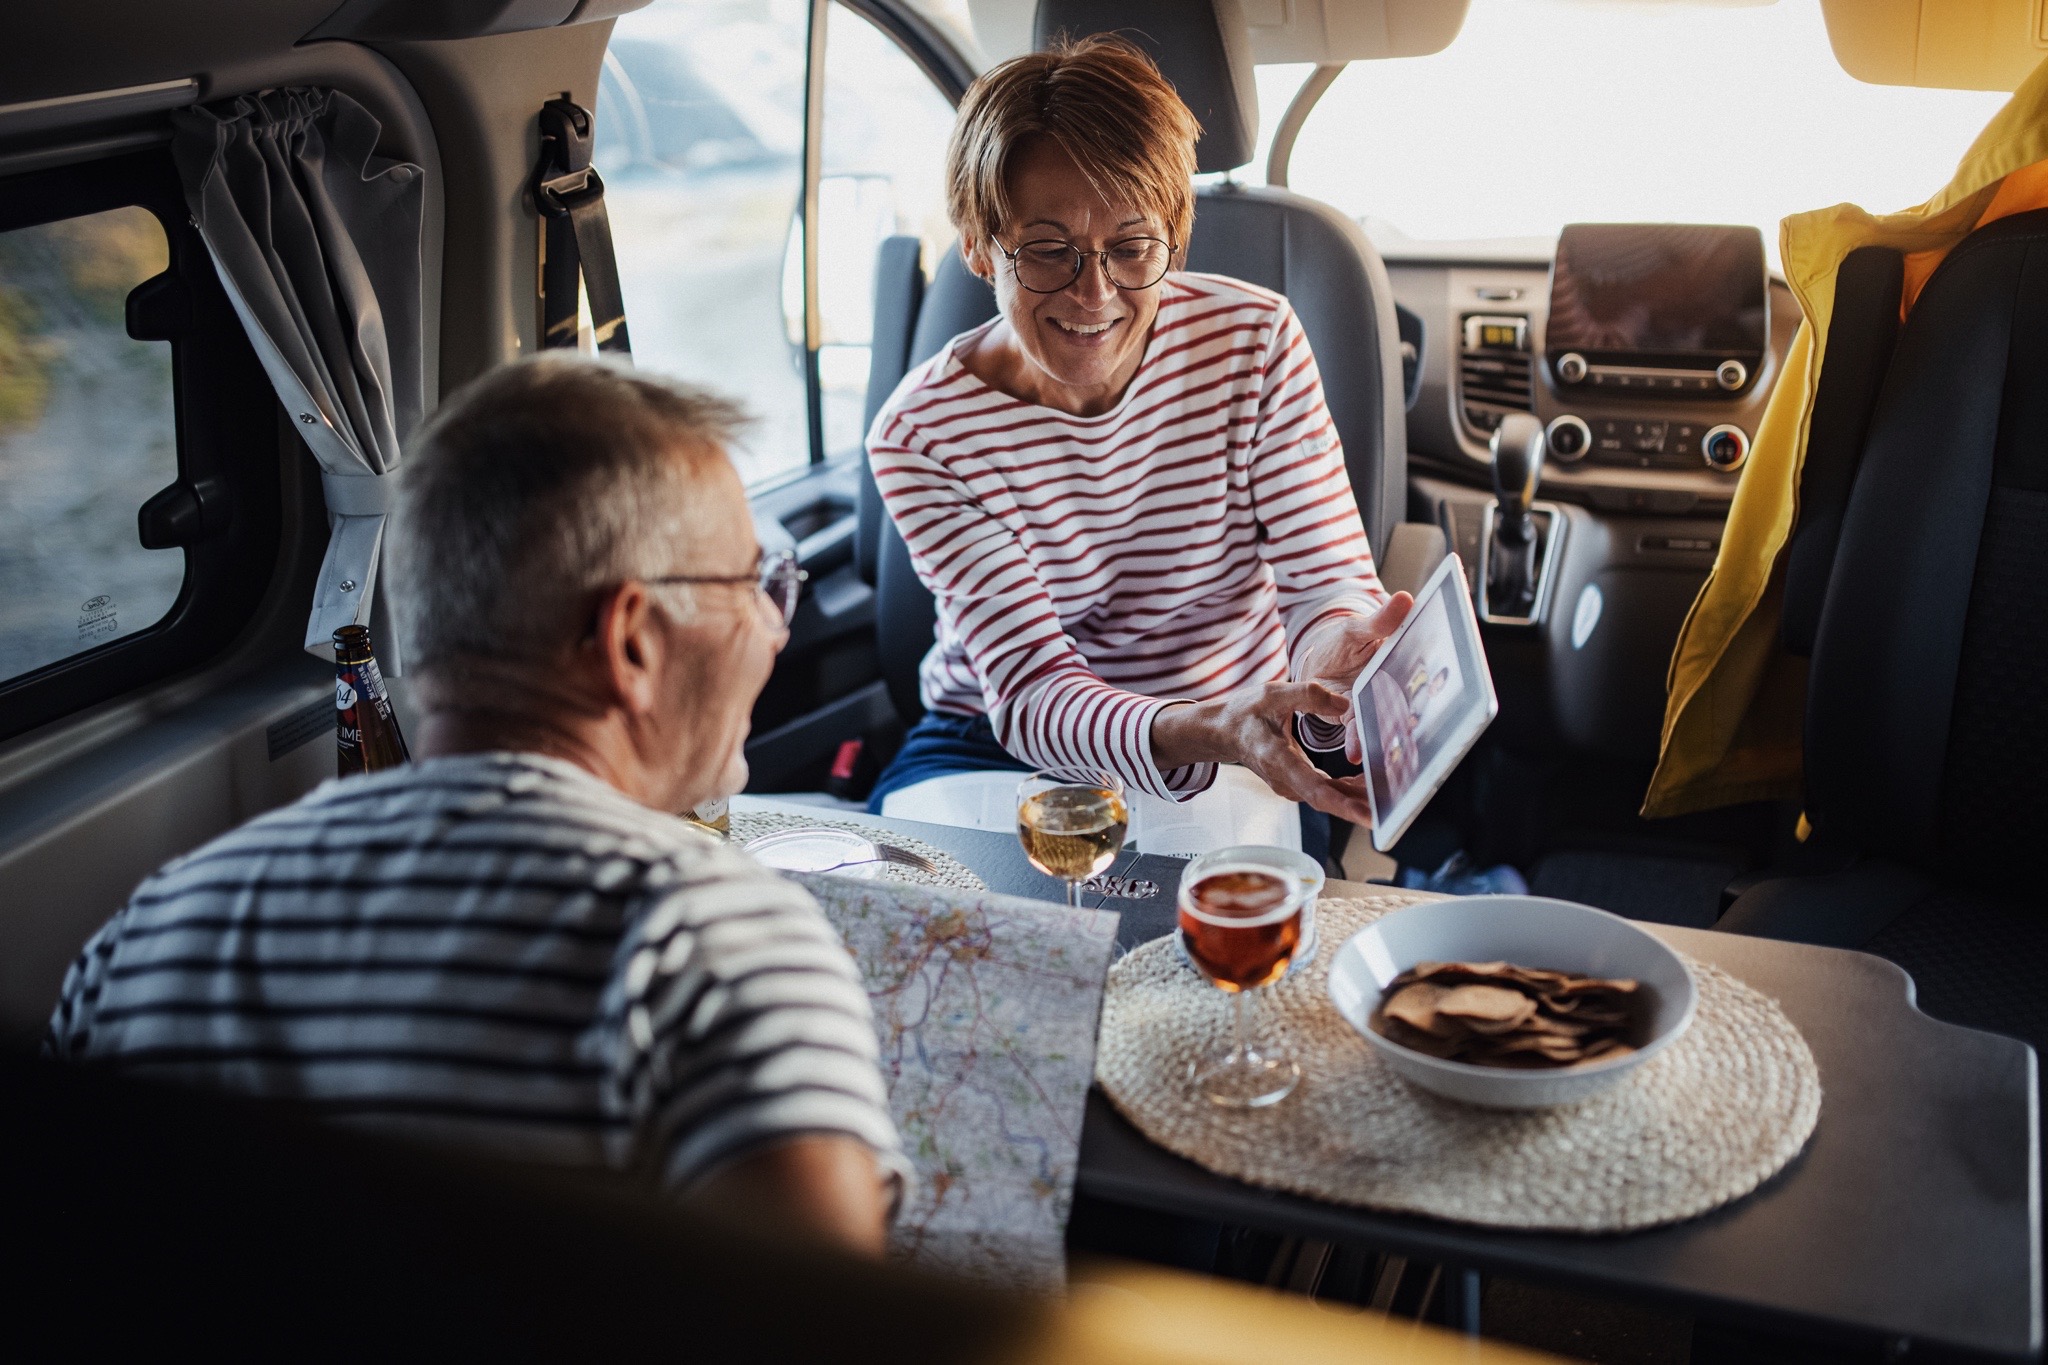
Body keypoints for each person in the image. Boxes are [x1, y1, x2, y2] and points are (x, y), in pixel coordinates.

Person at [43, 356, 904, 1257]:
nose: (776, 625)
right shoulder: (715, 947)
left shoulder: (142, 936)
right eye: (753, 587)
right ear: (632, 642)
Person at [866, 36, 1411, 852]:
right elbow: (1034, 690)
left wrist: (1335, 651)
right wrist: (1202, 727)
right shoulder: (923, 433)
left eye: (1131, 248)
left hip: (1240, 726)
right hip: (991, 739)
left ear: (1175, 240)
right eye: (1049, 250)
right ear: (980, 247)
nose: (1096, 293)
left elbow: (1323, 573)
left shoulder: (1254, 341)